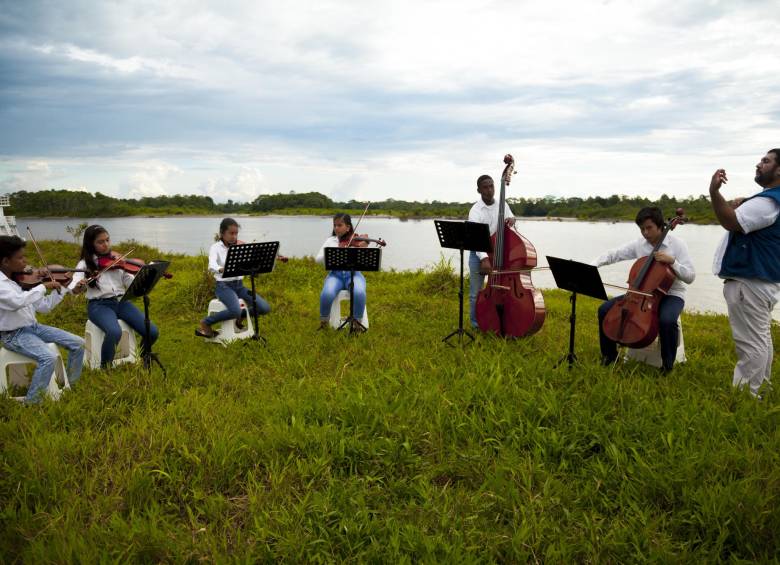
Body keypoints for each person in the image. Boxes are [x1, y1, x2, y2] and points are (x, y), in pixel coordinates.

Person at [710, 149, 780, 398]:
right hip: (759, 282)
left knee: (750, 342)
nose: (759, 164)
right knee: (760, 339)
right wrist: (738, 202)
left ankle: (747, 396)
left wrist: (714, 192)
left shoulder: (768, 201)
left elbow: (731, 221)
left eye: (766, 161)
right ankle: (762, 389)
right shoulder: (768, 200)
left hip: (749, 282)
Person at [595, 207, 695, 372]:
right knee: (604, 309)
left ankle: (667, 365)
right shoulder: (639, 244)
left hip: (672, 294)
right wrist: (593, 265)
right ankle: (609, 356)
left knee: (667, 321)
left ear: (660, 226)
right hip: (641, 293)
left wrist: (673, 262)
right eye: (642, 229)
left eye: (649, 228)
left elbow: (690, 277)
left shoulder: (677, 245)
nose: (645, 233)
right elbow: (615, 254)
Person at [0, 236, 85, 403]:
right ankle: (32, 403)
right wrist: (42, 286)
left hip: (33, 327)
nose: (26, 262)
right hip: (13, 335)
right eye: (20, 258)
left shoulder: (21, 280)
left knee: (79, 344)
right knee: (48, 358)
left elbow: (44, 307)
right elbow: (17, 302)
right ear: (5, 261)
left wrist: (64, 286)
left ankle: (71, 386)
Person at [68, 225, 159, 368]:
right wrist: (78, 286)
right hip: (99, 305)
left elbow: (129, 283)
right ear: (91, 244)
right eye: (100, 242)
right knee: (114, 332)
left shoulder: (117, 259)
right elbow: (73, 288)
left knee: (152, 332)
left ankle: (143, 356)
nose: (106, 245)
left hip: (121, 302)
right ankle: (106, 367)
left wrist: (138, 277)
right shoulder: (85, 264)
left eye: (107, 240)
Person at [196, 218, 271, 338]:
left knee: (264, 308)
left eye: (236, 233)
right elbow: (212, 265)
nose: (234, 236)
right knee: (235, 310)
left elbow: (253, 258)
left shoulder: (239, 246)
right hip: (223, 287)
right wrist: (221, 269)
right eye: (231, 233)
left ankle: (240, 317)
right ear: (222, 233)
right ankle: (206, 322)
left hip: (239, 286)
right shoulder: (215, 247)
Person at [468, 174, 515, 329]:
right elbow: (475, 238)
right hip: (479, 252)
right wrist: (484, 258)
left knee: (503, 289)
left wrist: (512, 220)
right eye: (485, 187)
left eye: (491, 186)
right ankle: (476, 324)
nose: (489, 190)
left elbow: (511, 219)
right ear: (479, 190)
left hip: (499, 250)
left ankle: (503, 321)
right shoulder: (475, 211)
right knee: (476, 292)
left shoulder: (503, 204)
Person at [315, 213, 367, 331]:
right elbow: (318, 259)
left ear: (348, 227)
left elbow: (364, 256)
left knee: (359, 292)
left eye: (340, 225)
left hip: (354, 275)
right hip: (335, 275)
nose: (336, 228)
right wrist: (331, 253)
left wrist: (364, 246)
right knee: (327, 294)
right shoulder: (330, 241)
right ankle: (324, 323)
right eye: (335, 225)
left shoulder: (355, 240)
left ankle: (357, 325)